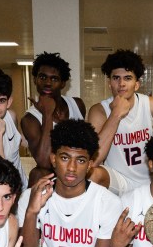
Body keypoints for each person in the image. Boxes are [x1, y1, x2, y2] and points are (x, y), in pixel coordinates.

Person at [86, 49, 153, 195]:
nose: (121, 83)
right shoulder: (99, 111)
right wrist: (115, 115)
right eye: (116, 78)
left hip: (151, 178)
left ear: (136, 84)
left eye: (127, 78)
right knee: (92, 174)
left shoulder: (152, 105)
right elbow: (93, 160)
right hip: (119, 179)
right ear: (109, 83)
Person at [18, 51, 110, 189]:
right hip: (53, 173)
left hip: (77, 167)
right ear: (35, 80)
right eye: (42, 77)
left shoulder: (77, 104)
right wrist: (47, 115)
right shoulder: (30, 119)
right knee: (37, 174)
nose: (47, 83)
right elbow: (44, 161)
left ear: (63, 83)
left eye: (54, 79)